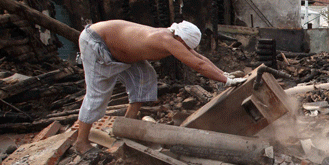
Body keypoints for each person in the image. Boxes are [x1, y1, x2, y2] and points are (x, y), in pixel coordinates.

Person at [74, 19, 245, 154]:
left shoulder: (175, 36)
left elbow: (199, 57)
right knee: (98, 94)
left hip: (117, 47)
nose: (185, 49)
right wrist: (226, 81)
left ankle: (127, 124)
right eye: (185, 46)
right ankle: (81, 142)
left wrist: (224, 75)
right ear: (180, 39)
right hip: (96, 41)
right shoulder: (166, 40)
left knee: (145, 76)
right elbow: (198, 65)